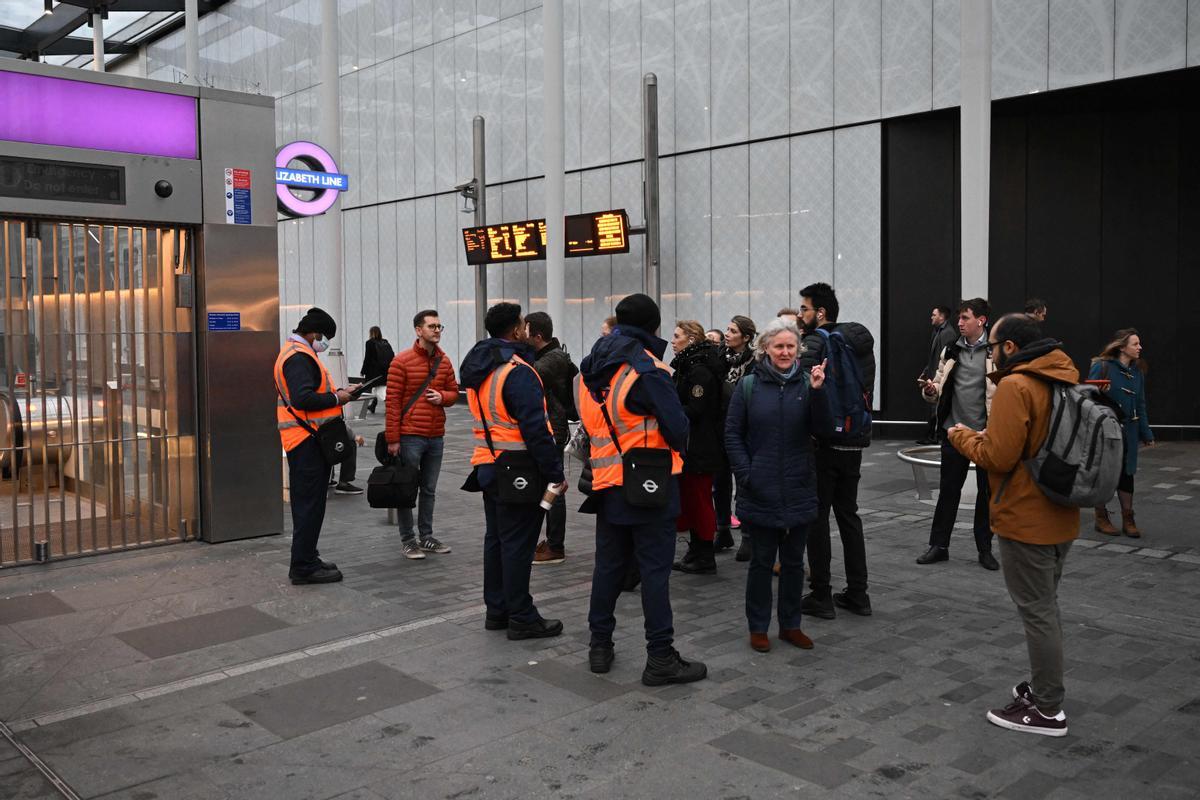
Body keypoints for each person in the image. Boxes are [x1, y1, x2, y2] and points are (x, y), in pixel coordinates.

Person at [948, 313, 1078, 737]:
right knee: (1047, 606)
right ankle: (1044, 686)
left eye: (993, 345)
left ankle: (1047, 709)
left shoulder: (1016, 385)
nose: (990, 353)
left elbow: (998, 457)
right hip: (1062, 512)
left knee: (1037, 612)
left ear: (1007, 347)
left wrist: (963, 436)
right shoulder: (1064, 379)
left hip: (1026, 516)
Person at [578, 293, 706, 685]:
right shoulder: (648, 371)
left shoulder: (590, 370)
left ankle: (600, 645)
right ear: (653, 326)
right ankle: (660, 656)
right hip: (649, 486)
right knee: (654, 573)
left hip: (606, 482)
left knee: (608, 569)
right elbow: (679, 429)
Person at [725, 318, 832, 653]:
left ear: (797, 349)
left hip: (798, 485)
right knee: (760, 563)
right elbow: (732, 434)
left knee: (793, 563)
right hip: (761, 487)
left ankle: (790, 624)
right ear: (765, 349)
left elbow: (824, 430)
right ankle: (758, 626)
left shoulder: (808, 383)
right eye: (778, 346)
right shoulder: (750, 386)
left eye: (790, 346)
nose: (785, 352)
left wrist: (818, 393)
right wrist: (747, 473)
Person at [460, 303, 566, 640]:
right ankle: (521, 615)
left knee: (497, 540)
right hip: (519, 468)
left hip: (488, 465)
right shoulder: (517, 371)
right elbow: (536, 428)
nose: (524, 329)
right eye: (521, 324)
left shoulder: (482, 367)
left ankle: (498, 609)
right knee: (518, 544)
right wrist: (554, 473)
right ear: (515, 331)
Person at [795, 283, 877, 618]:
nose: (801, 314)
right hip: (854, 438)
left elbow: (803, 391)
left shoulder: (816, 342)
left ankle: (821, 595)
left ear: (821, 313)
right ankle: (859, 594)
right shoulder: (860, 344)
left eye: (804, 308)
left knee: (817, 518)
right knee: (848, 515)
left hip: (824, 442)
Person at [916, 298, 998, 570]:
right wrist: (930, 391)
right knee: (948, 492)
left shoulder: (995, 353)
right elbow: (938, 384)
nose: (960, 323)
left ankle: (985, 549)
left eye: (965, 318)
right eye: (960, 318)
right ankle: (938, 546)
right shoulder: (952, 349)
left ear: (981, 321)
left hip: (986, 435)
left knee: (987, 495)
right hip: (954, 431)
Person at [274, 307, 351, 585]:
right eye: (325, 337)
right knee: (309, 505)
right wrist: (337, 399)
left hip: (308, 440)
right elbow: (303, 399)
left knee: (311, 504)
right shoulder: (298, 357)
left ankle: (308, 556)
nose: (325, 343)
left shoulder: (299, 353)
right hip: (306, 442)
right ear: (314, 333)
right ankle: (303, 566)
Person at [385, 309, 459, 559]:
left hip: (435, 435)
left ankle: (426, 537)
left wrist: (443, 397)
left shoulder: (444, 361)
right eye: (431, 326)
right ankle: (408, 540)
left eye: (439, 326)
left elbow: (454, 392)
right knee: (407, 488)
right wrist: (393, 439)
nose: (437, 330)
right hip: (410, 436)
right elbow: (392, 402)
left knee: (429, 489)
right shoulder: (401, 361)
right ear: (418, 330)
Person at [669, 320, 726, 575]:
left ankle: (705, 554)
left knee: (700, 499)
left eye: (677, 336)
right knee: (692, 499)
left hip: (700, 446)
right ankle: (697, 549)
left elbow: (697, 408)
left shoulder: (699, 370)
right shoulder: (689, 365)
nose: (672, 340)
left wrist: (668, 411)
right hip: (693, 444)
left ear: (691, 339)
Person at [1089, 328, 1154, 537]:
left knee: (1127, 473)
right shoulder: (1102, 367)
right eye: (1135, 344)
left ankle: (1128, 518)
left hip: (1130, 431)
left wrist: (1147, 433)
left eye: (1139, 343)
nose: (1139, 347)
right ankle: (1101, 517)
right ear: (1122, 347)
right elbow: (1086, 397)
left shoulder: (1137, 372)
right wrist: (1100, 393)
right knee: (1105, 474)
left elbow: (1141, 404)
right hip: (1106, 430)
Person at [525, 311, 579, 564]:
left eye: (524, 331)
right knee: (548, 485)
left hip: (553, 430)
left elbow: (526, 377)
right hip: (549, 427)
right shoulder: (546, 356)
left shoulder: (551, 359)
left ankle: (556, 545)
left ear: (536, 335)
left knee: (554, 486)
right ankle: (551, 541)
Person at [716, 315, 757, 560]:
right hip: (719, 428)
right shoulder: (718, 358)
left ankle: (748, 537)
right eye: (727, 329)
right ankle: (722, 530)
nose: (727, 334)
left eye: (733, 330)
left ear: (746, 337)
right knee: (719, 483)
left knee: (743, 484)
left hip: (745, 431)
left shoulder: (755, 362)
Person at [919, 306, 958, 445]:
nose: (931, 317)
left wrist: (936, 375)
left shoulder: (947, 333)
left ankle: (935, 435)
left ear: (942, 317)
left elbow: (944, 359)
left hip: (938, 376)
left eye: (934, 314)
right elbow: (933, 356)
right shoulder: (938, 332)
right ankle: (932, 435)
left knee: (936, 406)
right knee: (932, 406)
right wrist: (926, 371)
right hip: (933, 374)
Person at [360, 326, 395, 414]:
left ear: (371, 333)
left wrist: (363, 370)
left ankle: (389, 408)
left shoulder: (369, 343)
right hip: (386, 369)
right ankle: (373, 405)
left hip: (375, 371)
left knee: (379, 388)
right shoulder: (385, 342)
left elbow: (367, 358)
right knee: (377, 387)